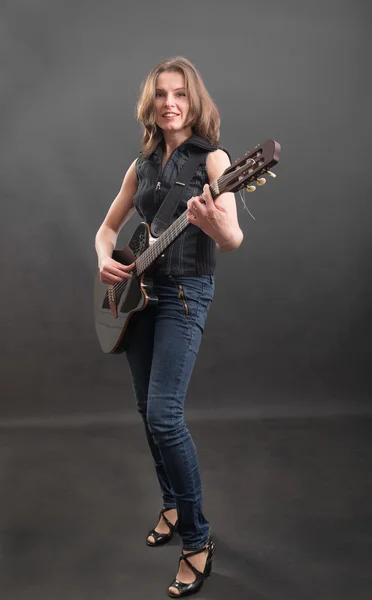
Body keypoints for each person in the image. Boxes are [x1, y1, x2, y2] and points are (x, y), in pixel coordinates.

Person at [95, 56, 243, 597]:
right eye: (161, 93)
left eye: (179, 93)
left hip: (184, 295)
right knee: (144, 410)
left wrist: (215, 221)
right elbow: (107, 228)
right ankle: (174, 507)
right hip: (141, 299)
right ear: (151, 103)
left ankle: (198, 540)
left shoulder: (216, 160)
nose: (170, 102)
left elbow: (231, 241)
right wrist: (105, 260)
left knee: (164, 416)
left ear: (193, 99)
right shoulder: (142, 165)